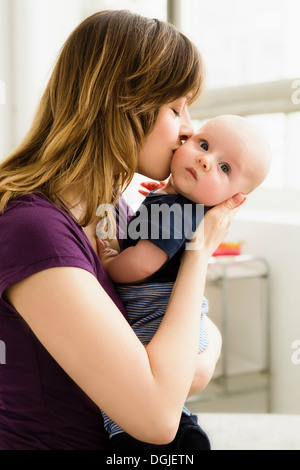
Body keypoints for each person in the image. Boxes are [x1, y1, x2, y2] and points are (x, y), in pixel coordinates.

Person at [0, 10, 245, 450]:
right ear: (122, 105)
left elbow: (198, 339)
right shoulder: (34, 229)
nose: (189, 128)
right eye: (175, 107)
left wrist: (191, 364)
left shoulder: (117, 209)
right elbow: (156, 418)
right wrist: (198, 251)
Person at [97, 114, 271, 448]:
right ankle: (184, 431)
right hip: (181, 323)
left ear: (232, 199)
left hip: (155, 317)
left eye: (224, 168)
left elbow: (145, 263)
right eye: (203, 145)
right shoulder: (173, 203)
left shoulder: (180, 211)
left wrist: (110, 262)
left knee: (126, 413)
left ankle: (171, 439)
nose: (206, 161)